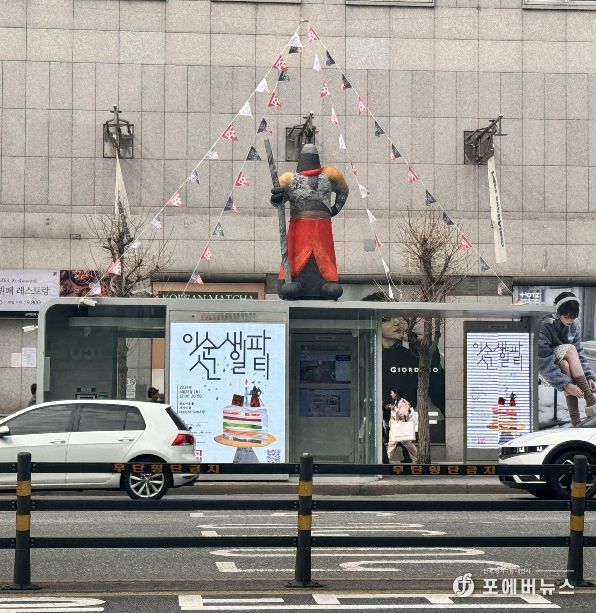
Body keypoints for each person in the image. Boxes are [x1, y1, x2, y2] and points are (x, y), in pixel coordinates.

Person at [270, 143, 349, 300]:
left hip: (323, 226)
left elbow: (343, 190)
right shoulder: (291, 180)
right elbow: (278, 201)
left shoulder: (328, 176)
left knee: (325, 254)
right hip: (299, 227)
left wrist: (335, 208)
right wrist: (276, 198)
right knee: (295, 255)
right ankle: (289, 282)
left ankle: (326, 283)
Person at [539, 291, 596, 426]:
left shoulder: (575, 324)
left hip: (563, 363)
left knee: (565, 364)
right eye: (566, 317)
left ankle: (575, 420)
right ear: (557, 313)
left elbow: (579, 352)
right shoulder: (545, 324)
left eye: (573, 317)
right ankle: (591, 400)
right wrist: (565, 384)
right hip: (545, 367)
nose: (570, 321)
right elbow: (543, 359)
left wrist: (589, 377)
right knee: (570, 349)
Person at [386, 388, 418, 464]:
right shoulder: (397, 402)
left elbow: (404, 414)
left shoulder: (402, 402)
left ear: (396, 394)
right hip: (397, 426)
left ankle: (418, 457)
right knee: (394, 442)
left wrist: (395, 409)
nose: (391, 394)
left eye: (392, 393)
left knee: (406, 443)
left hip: (400, 427)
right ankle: (386, 459)